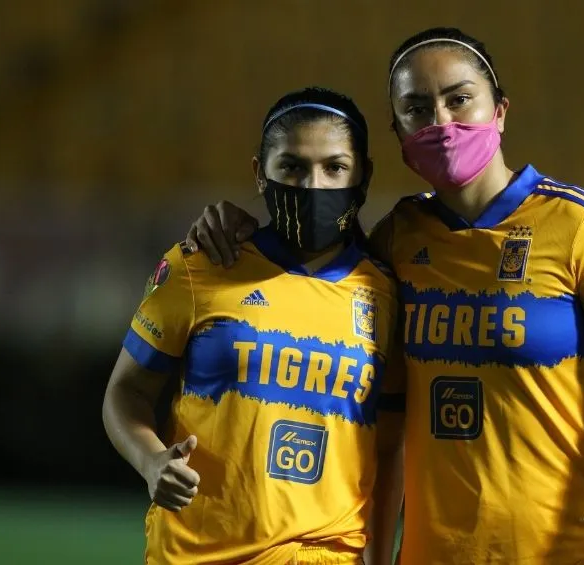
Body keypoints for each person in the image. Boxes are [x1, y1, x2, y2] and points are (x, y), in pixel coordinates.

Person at [185, 27, 584, 565]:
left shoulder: (582, 224)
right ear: (398, 132)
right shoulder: (397, 239)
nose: (440, 122)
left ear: (500, 111)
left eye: (459, 100)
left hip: (576, 553)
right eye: (417, 109)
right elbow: (382, 420)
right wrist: (234, 227)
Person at [102, 87, 405, 565]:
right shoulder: (200, 265)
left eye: (334, 167)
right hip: (197, 555)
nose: (312, 186)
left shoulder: (385, 294)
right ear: (260, 173)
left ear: (363, 175)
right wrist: (152, 461)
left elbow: (387, 448)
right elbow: (126, 392)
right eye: (292, 166)